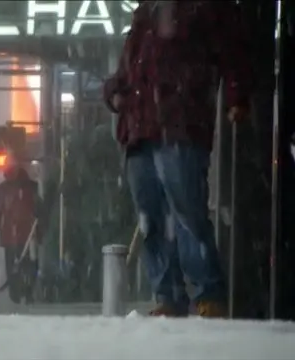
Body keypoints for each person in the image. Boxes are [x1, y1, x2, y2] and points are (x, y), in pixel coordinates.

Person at [103, 1, 251, 317]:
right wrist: (116, 91)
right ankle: (173, 295)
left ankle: (203, 292)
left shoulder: (200, 10)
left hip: (176, 124)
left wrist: (237, 96)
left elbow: (232, 52)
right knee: (154, 216)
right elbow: (129, 67)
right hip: (147, 128)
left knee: (183, 210)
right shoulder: (149, 14)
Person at [0, 165, 40, 304]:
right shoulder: (31, 188)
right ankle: (25, 291)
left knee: (15, 265)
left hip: (18, 236)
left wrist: (3, 227)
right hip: (25, 236)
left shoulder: (3, 190)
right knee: (29, 264)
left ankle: (17, 291)